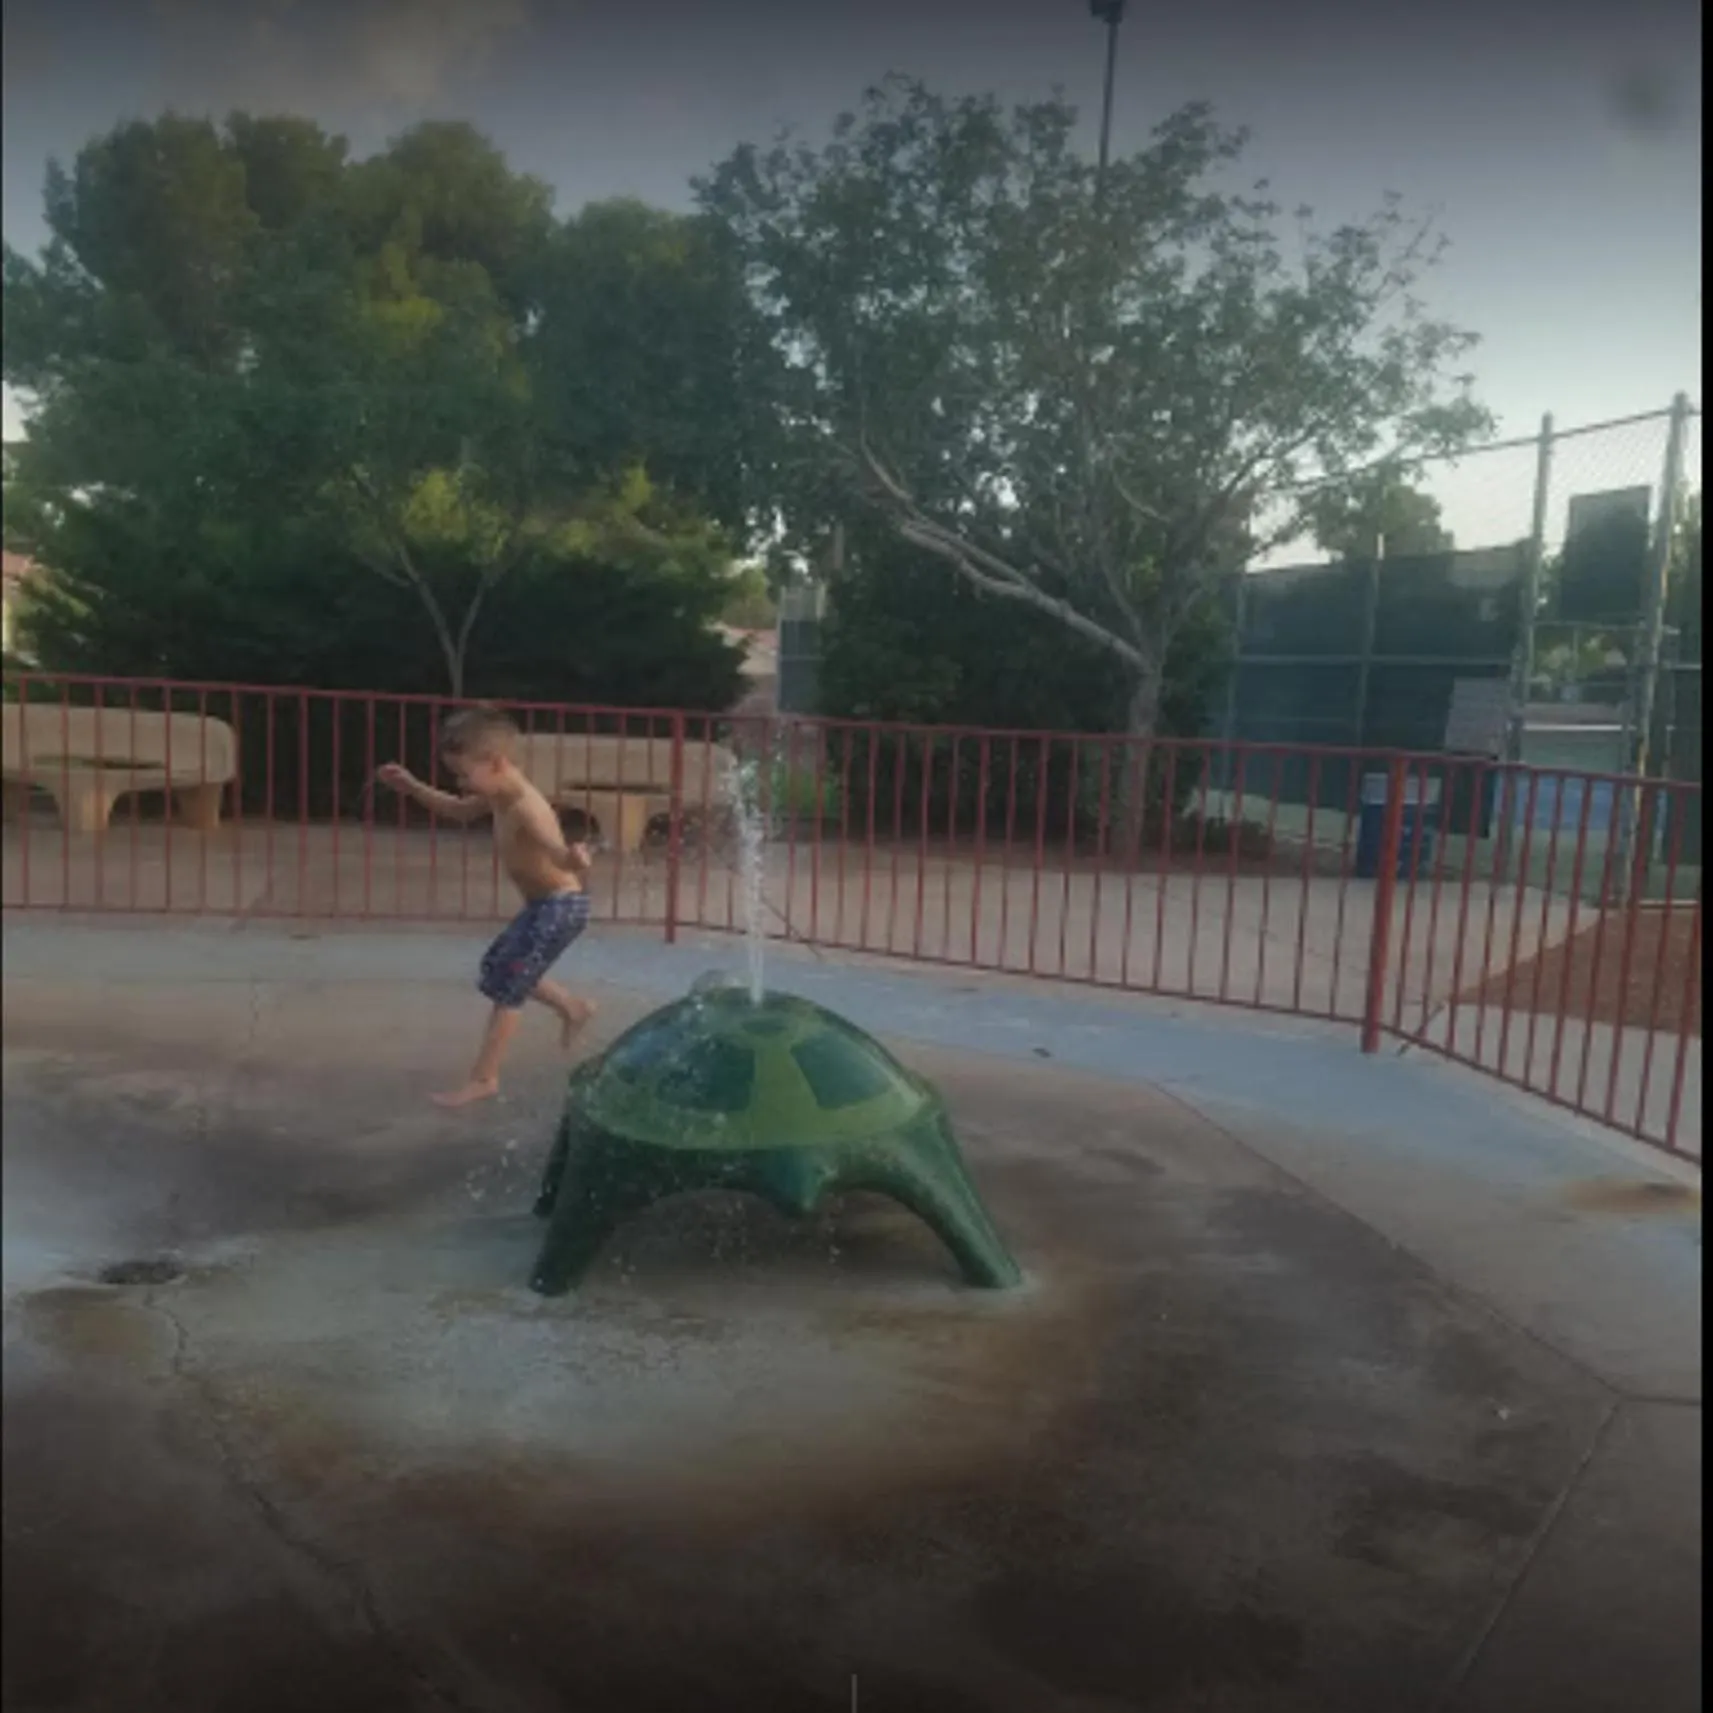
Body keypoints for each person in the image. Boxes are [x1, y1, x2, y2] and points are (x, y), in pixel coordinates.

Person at [377, 705, 596, 1108]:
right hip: (543, 907)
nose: (461, 783)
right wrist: (413, 787)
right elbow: (458, 811)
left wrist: (575, 859)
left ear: (495, 762)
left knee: (508, 987)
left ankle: (485, 1078)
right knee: (497, 967)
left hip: (561, 906)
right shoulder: (499, 792)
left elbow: (556, 853)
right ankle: (572, 1006)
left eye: (463, 774)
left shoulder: (525, 806)